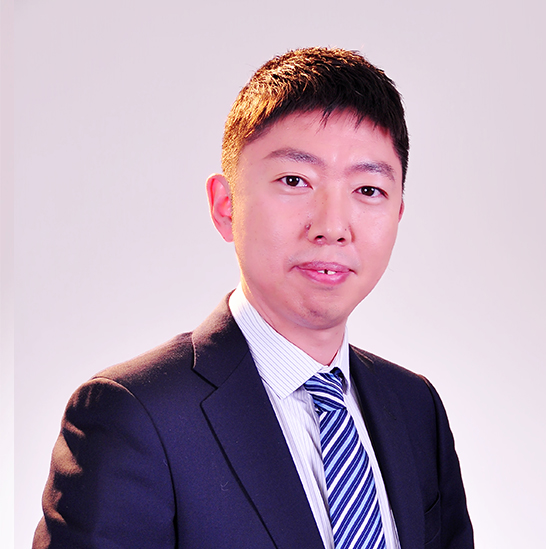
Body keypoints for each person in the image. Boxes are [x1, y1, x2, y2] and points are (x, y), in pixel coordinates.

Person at [33, 47, 473, 549]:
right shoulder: (133, 415)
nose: (333, 226)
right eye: (294, 180)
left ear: (397, 215)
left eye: (368, 189)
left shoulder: (415, 408)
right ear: (226, 206)